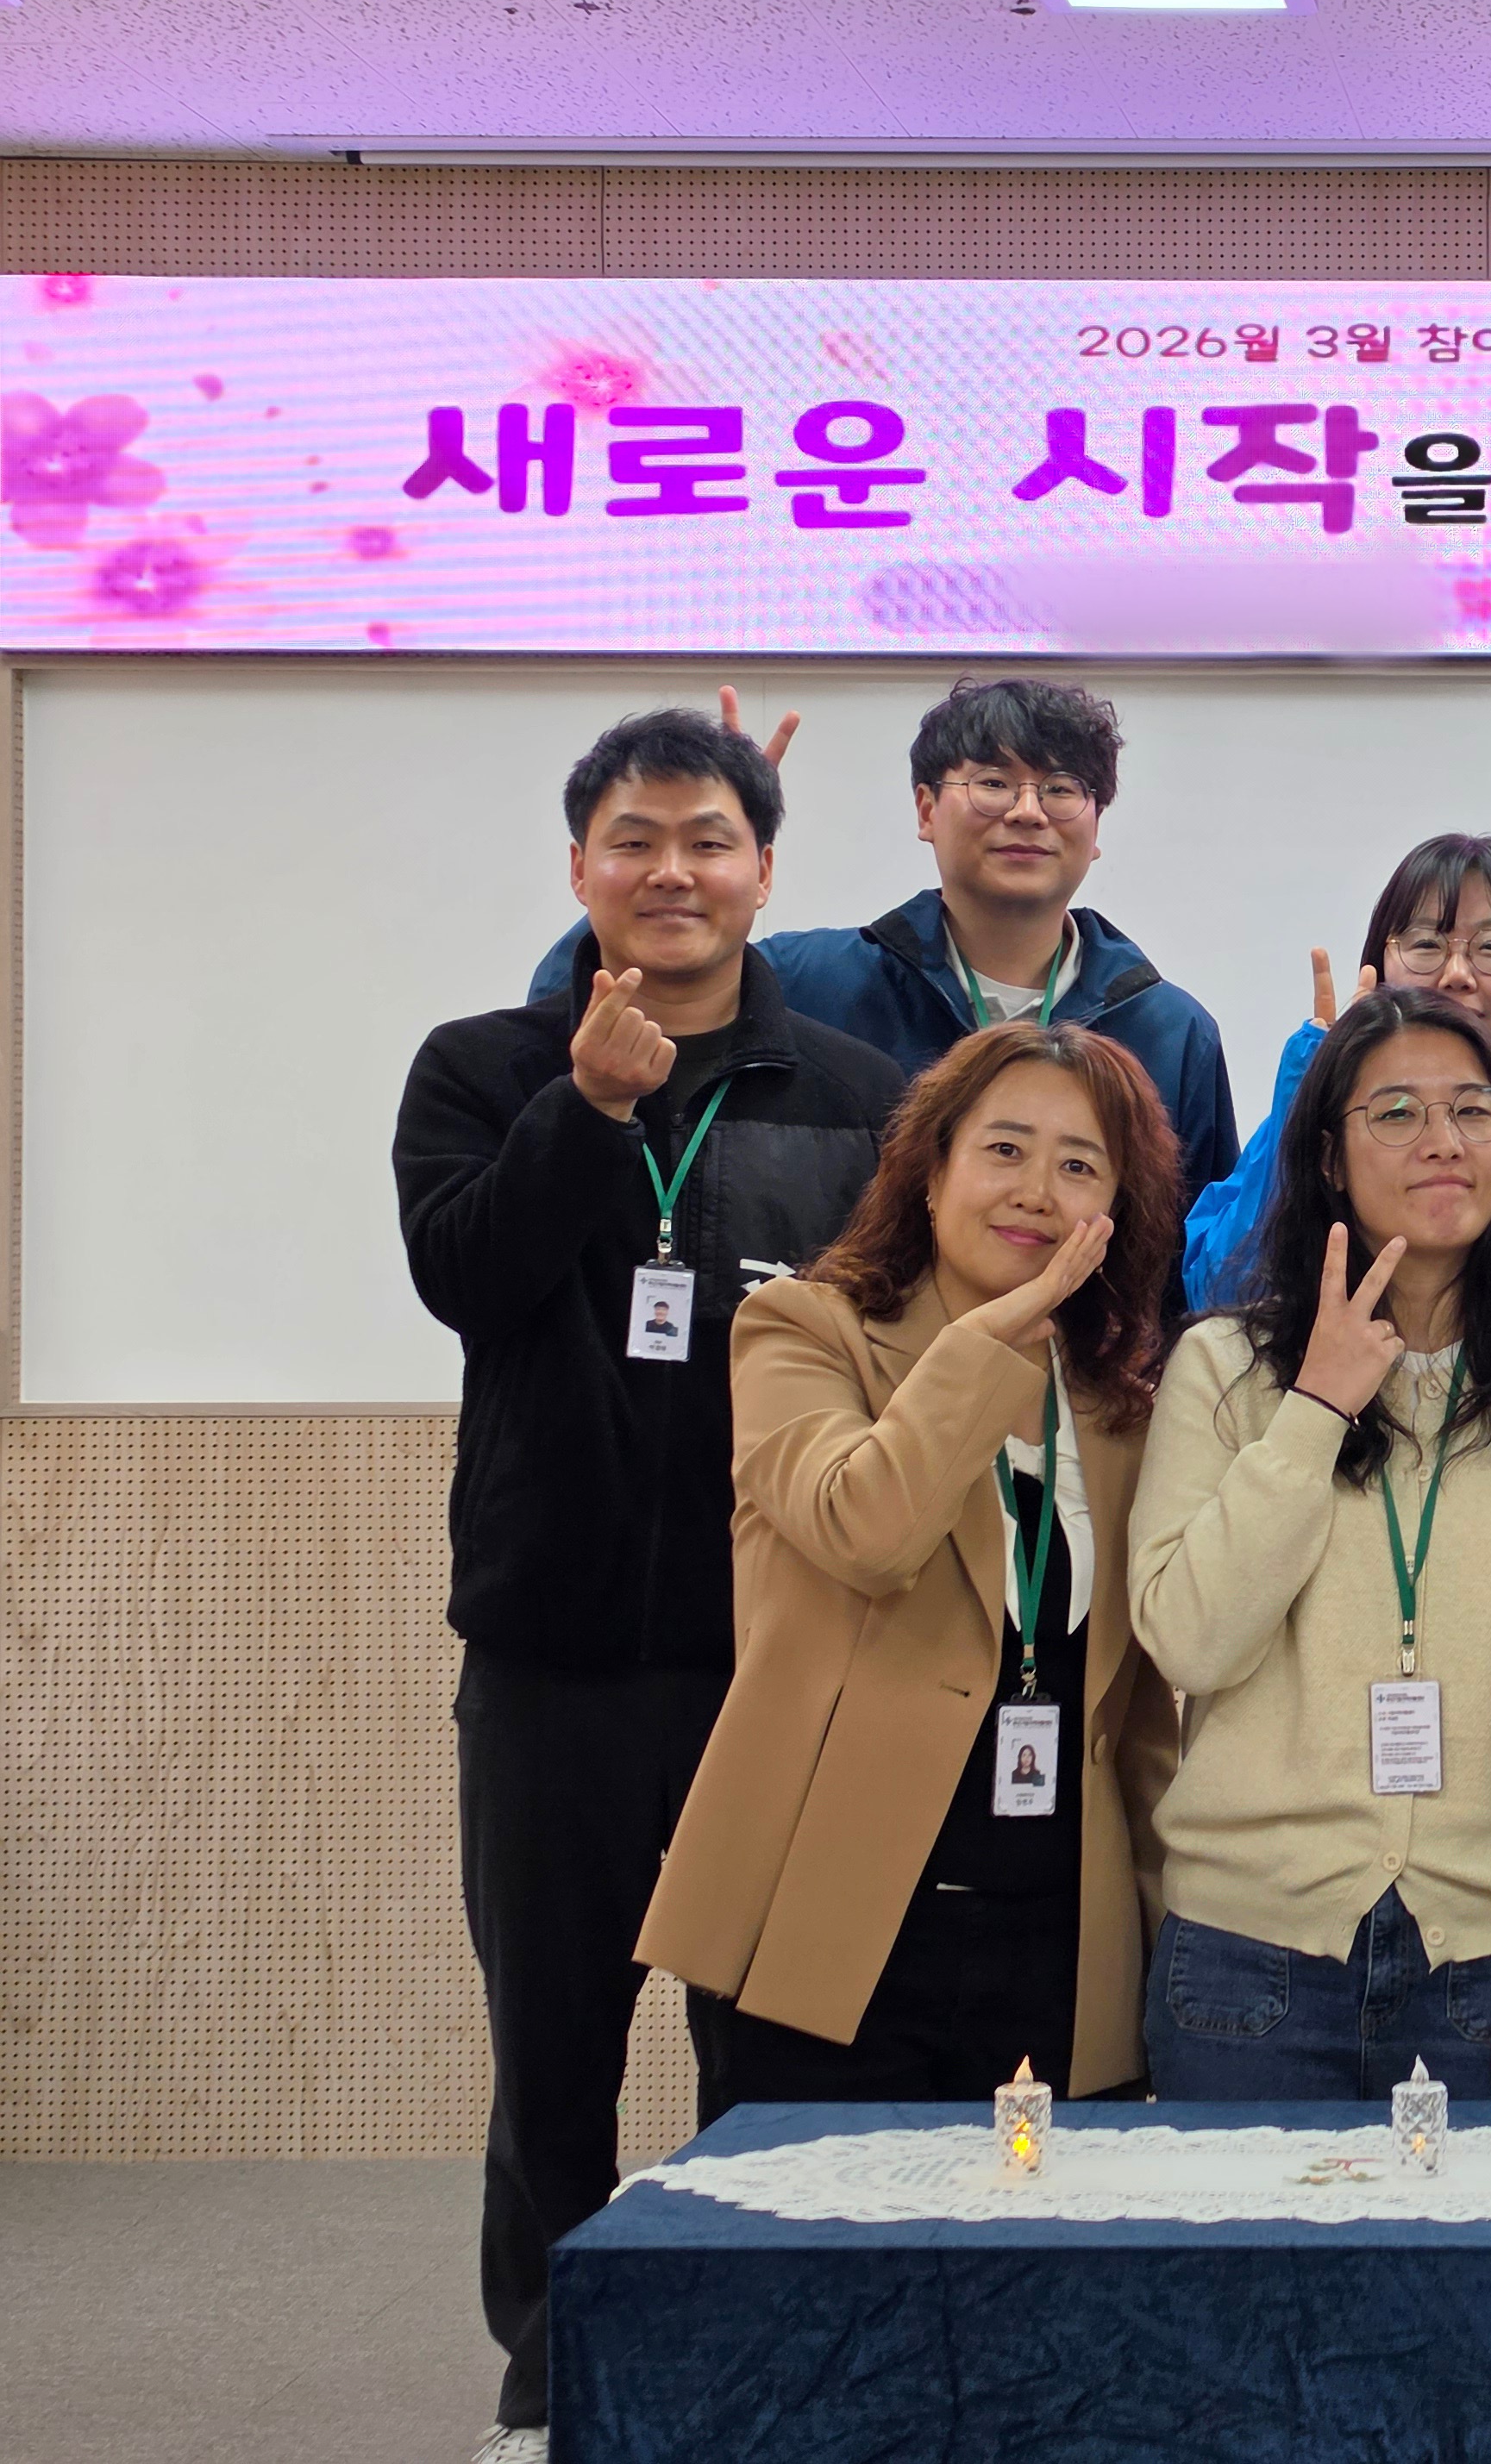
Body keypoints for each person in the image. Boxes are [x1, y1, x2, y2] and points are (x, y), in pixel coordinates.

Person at [392, 710, 903, 2461]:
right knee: (555, 2055)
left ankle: (762, 2378)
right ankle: (553, 2390)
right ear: (579, 868)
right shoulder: (481, 1069)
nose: (671, 870)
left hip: (781, 1665)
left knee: (775, 2053)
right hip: (552, 1658)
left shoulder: (855, 1096)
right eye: (634, 838)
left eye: (707, 839)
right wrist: (590, 1105)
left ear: (764, 872)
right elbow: (465, 1275)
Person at [1131, 987, 1491, 2100]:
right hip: (1247, 1958)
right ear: (1328, 1158)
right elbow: (1189, 1641)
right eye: (1396, 1113)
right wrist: (1316, 1407)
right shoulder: (1223, 1368)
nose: (1442, 1141)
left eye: (1473, 1110)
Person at [638, 1022, 1185, 2108]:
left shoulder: (1118, 1405)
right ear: (930, 1173)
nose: (1036, 1191)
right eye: (1004, 1150)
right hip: (831, 1930)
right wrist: (992, 1339)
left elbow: (1133, 1711)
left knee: (1047, 2223)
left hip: (1058, 1942)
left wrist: (1161, 1927)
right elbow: (868, 1529)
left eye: (1080, 1167)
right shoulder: (805, 1331)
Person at [530, 679, 1237, 1199]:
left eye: (1061, 789)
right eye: (993, 783)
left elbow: (1195, 1255)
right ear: (926, 810)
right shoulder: (811, 982)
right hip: (851, 1349)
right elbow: (589, 1006)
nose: (1028, 812)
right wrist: (705, 836)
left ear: (1096, 824)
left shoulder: (1169, 1030)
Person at [1177, 834, 1491, 1312]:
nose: (1457, 974)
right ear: (1380, 972)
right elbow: (1222, 1296)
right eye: (1426, 943)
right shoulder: (1328, 1120)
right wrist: (1311, 1095)